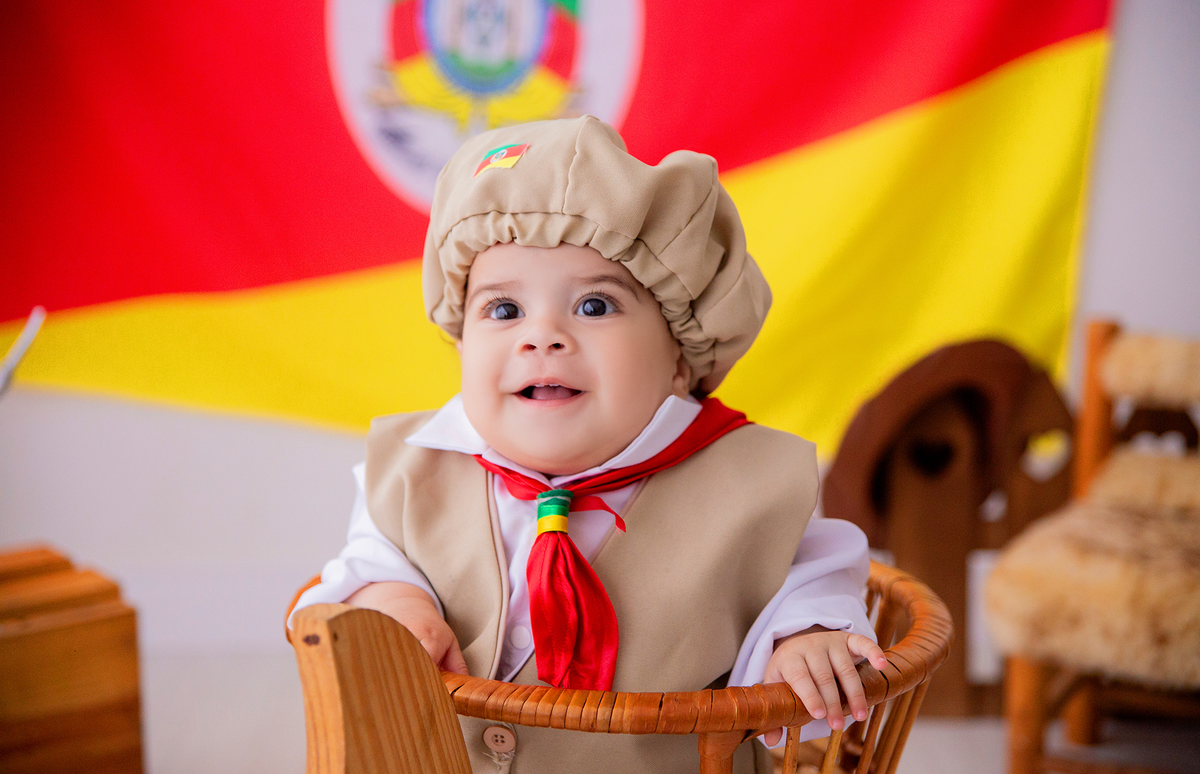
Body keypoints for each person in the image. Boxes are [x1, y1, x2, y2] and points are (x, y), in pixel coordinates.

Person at [290, 116, 886, 773]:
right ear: (461, 340)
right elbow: (368, 563)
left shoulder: (755, 484)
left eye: (595, 307)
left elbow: (818, 577)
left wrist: (805, 636)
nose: (541, 337)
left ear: (682, 358)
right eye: (503, 310)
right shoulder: (408, 469)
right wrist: (391, 600)